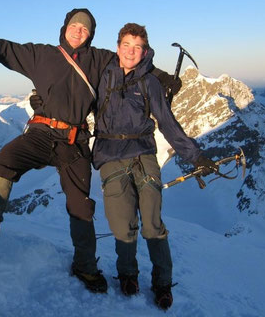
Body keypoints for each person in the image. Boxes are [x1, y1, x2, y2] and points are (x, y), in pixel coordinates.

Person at [0, 8, 116, 293]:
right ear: (65, 27)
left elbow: (131, 64)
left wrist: (162, 79)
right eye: (75, 26)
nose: (78, 31)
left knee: (81, 204)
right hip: (41, 134)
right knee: (4, 161)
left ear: (91, 34)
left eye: (85, 29)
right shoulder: (42, 55)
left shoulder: (102, 60)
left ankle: (85, 266)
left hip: (75, 142)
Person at [92, 23, 217, 310]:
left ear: (144, 51)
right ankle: (128, 275)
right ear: (117, 47)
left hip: (143, 155)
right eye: (126, 45)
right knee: (122, 225)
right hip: (110, 156)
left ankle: (162, 284)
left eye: (137, 47)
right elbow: (74, 91)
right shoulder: (103, 75)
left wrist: (195, 155)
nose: (131, 51)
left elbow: (168, 123)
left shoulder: (150, 83)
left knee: (152, 225)